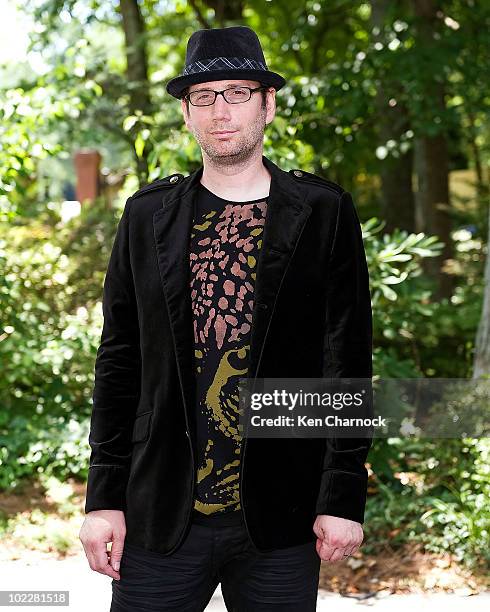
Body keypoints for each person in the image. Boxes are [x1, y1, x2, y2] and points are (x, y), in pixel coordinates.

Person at [79, 25, 373, 612]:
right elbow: (119, 362)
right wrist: (102, 498)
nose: (221, 110)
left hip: (282, 515)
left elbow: (348, 359)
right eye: (204, 96)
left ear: (267, 103)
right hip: (161, 511)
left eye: (237, 92)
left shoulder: (323, 212)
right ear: (187, 113)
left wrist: (341, 495)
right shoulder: (146, 216)